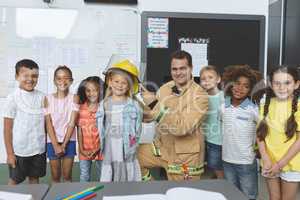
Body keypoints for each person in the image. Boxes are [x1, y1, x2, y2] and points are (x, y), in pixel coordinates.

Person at [138, 50, 208, 181]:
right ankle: (155, 191)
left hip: (185, 157)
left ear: (191, 69)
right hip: (161, 149)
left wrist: (153, 102)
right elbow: (151, 116)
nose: (178, 73)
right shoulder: (165, 88)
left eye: (183, 68)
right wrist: (131, 100)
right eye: (174, 69)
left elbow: (181, 128)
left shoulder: (201, 96)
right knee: (134, 158)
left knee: (180, 194)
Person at [256, 66, 300, 200]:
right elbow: (260, 134)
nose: (282, 87)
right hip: (269, 162)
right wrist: (265, 158)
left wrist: (280, 165)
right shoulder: (266, 104)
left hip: (291, 163)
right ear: (270, 84)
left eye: (287, 83)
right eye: (277, 83)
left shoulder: (298, 106)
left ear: (297, 84)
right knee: (273, 198)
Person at [97, 59, 143, 182]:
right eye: (116, 81)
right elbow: (100, 126)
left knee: (126, 172)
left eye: (124, 83)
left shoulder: (134, 105)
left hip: (126, 145)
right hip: (110, 145)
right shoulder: (104, 104)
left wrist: (133, 143)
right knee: (111, 173)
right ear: (110, 82)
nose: (120, 85)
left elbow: (138, 128)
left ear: (130, 85)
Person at [221, 65, 262, 200]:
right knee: (231, 195)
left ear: (251, 90)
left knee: (248, 195)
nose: (240, 88)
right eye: (237, 83)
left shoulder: (253, 109)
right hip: (227, 159)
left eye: (246, 86)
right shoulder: (223, 107)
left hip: (246, 161)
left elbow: (262, 130)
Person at [3, 59, 46, 185]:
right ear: (17, 76)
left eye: (34, 76)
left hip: (38, 149)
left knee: (34, 180)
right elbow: (7, 129)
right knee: (14, 181)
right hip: (20, 151)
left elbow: (46, 122)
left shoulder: (42, 97)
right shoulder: (12, 98)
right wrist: (10, 154)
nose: (30, 79)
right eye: (25, 75)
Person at [44, 65, 79, 183]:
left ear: (71, 81)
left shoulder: (74, 98)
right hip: (52, 141)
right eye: (59, 78)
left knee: (67, 176)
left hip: (69, 141)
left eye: (66, 78)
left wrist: (63, 145)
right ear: (54, 81)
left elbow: (72, 123)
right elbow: (48, 124)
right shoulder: (47, 99)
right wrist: (55, 145)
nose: (62, 81)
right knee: (55, 176)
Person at [77, 76, 104, 182]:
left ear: (100, 91)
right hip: (84, 150)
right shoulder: (81, 108)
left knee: (102, 176)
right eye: (88, 90)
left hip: (101, 149)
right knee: (84, 175)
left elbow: (105, 131)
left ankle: (104, 195)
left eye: (95, 90)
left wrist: (98, 148)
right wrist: (81, 149)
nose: (91, 93)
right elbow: (79, 129)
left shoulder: (103, 108)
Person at [199, 65, 224, 179]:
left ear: (218, 79)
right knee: (213, 165)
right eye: (203, 79)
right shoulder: (201, 98)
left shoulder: (223, 97)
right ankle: (216, 179)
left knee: (217, 167)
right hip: (205, 139)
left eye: (210, 77)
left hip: (218, 141)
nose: (207, 81)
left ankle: (222, 184)